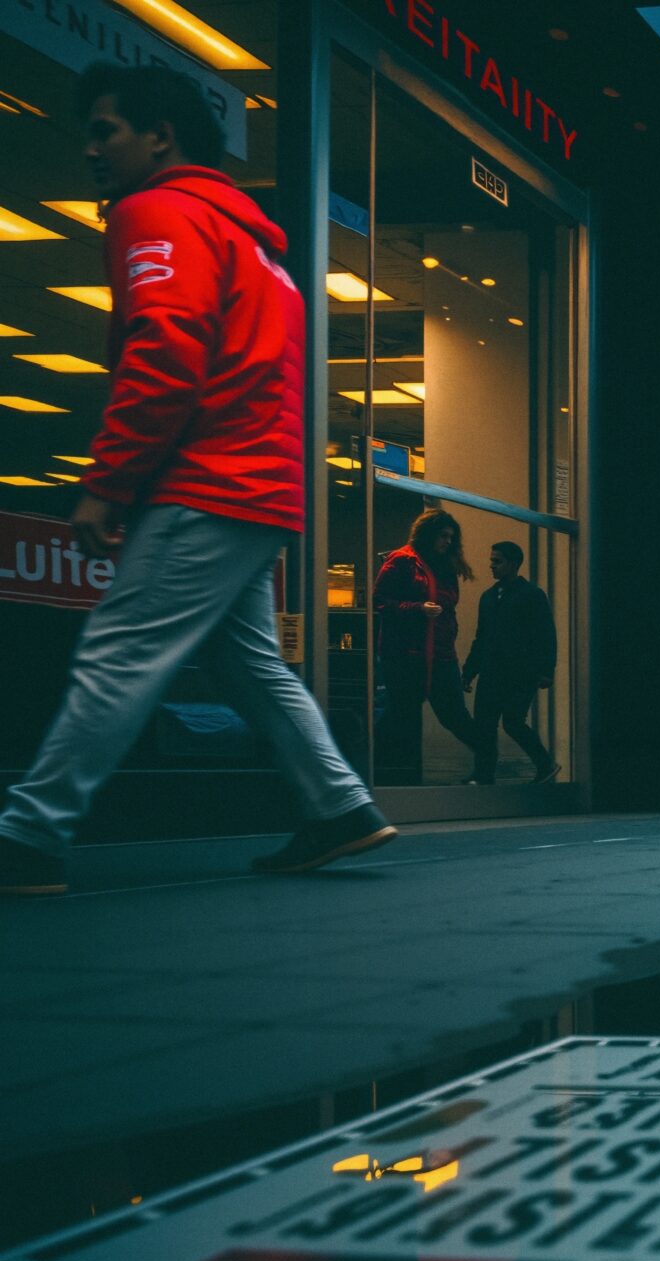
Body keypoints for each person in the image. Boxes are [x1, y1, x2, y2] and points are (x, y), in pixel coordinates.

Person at [0, 65, 390, 896]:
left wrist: (109, 480)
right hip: (263, 484)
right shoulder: (252, 241)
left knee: (119, 654)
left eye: (106, 129)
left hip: (205, 480)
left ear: (160, 137)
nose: (91, 146)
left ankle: (28, 835)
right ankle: (340, 806)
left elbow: (166, 353)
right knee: (250, 663)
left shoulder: (157, 213)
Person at [375, 507, 477, 784]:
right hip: (406, 655)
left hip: (440, 654)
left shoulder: (444, 568)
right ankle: (393, 779)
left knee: (453, 716)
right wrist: (417, 608)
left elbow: (449, 610)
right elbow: (380, 601)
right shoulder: (401, 561)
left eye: (451, 538)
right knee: (403, 716)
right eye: (443, 536)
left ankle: (486, 766)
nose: (447, 542)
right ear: (429, 534)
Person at [462, 540, 557, 784]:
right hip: (494, 671)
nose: (491, 566)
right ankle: (485, 774)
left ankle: (544, 764)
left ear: (513, 564)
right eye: (492, 560)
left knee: (512, 722)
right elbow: (482, 638)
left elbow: (545, 634)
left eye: (497, 561)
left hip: (519, 672)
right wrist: (470, 671)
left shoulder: (531, 595)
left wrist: (546, 670)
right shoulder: (490, 596)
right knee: (486, 724)